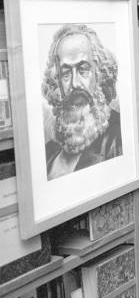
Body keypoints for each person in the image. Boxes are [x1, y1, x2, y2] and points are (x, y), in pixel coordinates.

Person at [42, 23, 122, 180]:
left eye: (83, 70)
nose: (74, 84)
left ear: (99, 73)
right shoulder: (49, 151)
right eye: (65, 73)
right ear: (56, 81)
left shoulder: (118, 139)